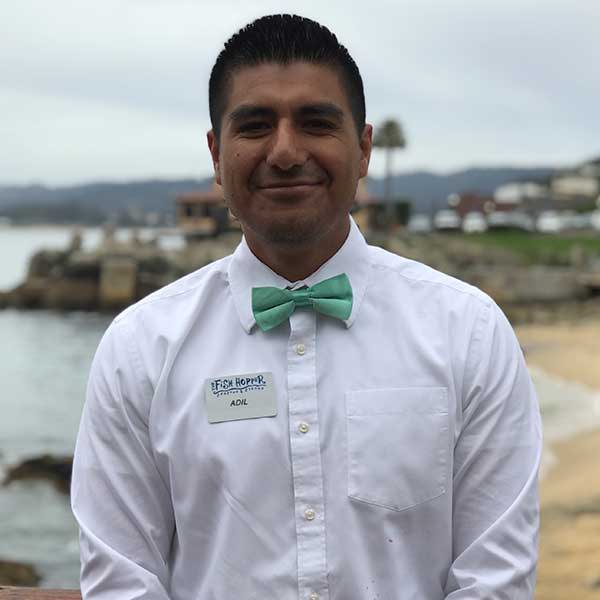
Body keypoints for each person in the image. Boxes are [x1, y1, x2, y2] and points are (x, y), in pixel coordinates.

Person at [71, 14, 542, 599]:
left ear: (363, 148)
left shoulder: (469, 331)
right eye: (255, 126)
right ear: (217, 155)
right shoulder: (137, 349)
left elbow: (495, 576)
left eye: (316, 123)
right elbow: (122, 580)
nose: (287, 152)